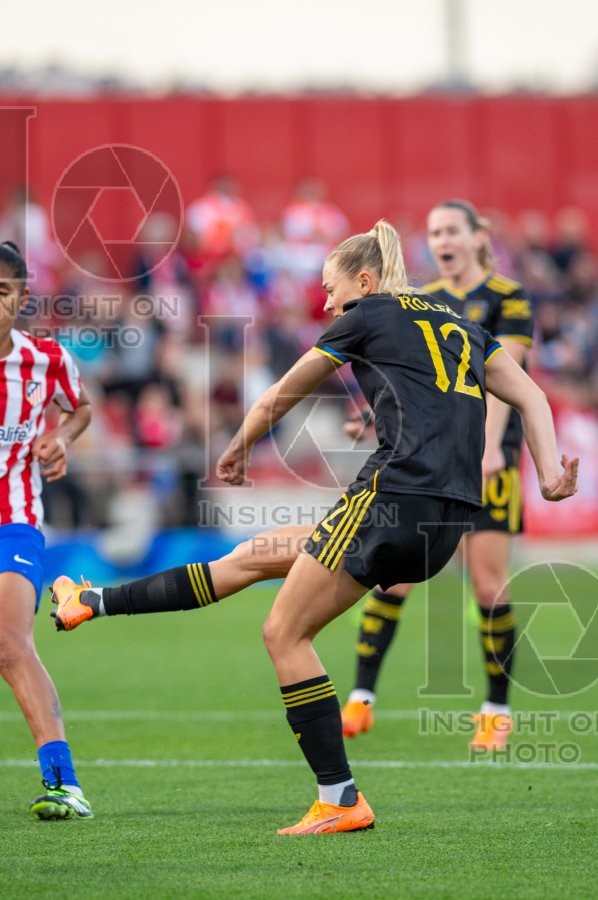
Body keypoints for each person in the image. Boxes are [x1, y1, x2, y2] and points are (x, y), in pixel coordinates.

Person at [52, 221, 578, 834]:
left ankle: (340, 797)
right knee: (252, 558)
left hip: (392, 499)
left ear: (364, 279)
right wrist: (546, 474)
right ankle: (91, 601)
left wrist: (238, 450)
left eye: (330, 290)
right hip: (448, 520)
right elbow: (532, 397)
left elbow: (278, 396)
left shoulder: (368, 314)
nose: (326, 304)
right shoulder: (458, 322)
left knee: (283, 633)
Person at [342, 199, 535, 750]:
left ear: (478, 237)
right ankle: (361, 698)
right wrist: (373, 415)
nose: (441, 241)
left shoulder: (507, 297)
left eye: (451, 230)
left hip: (486, 456)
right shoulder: (422, 302)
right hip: (429, 458)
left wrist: (494, 446)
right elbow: (412, 383)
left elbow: (509, 377)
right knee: (394, 572)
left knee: (487, 584)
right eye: (433, 232)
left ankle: (496, 709)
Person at [0, 241, 93, 819]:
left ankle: (64, 783)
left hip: (16, 521)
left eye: (2, 292)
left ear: (22, 298)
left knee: (9, 642)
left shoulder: (46, 359)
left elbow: (79, 407)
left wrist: (61, 437)